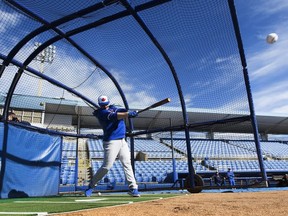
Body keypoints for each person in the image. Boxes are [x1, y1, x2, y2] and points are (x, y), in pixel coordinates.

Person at [85, 95, 140, 197]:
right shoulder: (101, 113)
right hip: (111, 142)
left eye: (106, 105)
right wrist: (128, 114)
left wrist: (131, 112)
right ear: (100, 105)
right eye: (103, 105)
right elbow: (116, 116)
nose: (105, 107)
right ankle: (91, 186)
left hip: (122, 141)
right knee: (106, 167)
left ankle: (133, 188)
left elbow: (121, 110)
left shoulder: (113, 108)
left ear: (108, 103)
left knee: (127, 163)